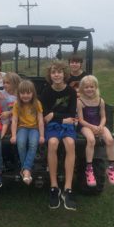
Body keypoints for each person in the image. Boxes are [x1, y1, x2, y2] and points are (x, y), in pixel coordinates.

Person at [40, 60, 77, 211]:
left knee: (70, 143)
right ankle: (54, 186)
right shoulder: (46, 92)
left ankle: (68, 188)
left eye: (59, 72)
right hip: (53, 126)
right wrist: (57, 116)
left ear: (64, 74)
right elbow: (45, 114)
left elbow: (71, 114)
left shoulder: (71, 92)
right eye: (53, 72)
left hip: (67, 125)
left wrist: (55, 115)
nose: (56, 75)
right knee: (53, 143)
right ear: (50, 75)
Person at [77, 75, 114, 187]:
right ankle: (89, 169)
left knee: (110, 140)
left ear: (96, 87)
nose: (89, 89)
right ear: (82, 88)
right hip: (85, 125)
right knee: (91, 140)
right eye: (86, 87)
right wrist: (92, 127)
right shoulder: (80, 101)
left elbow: (103, 116)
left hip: (98, 125)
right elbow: (80, 119)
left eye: (92, 87)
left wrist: (100, 125)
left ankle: (111, 168)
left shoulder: (100, 100)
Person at [10, 80, 45, 185]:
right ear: (19, 94)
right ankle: (27, 170)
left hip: (34, 128)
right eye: (22, 93)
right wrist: (13, 135)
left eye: (28, 93)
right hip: (22, 128)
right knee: (20, 143)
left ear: (33, 93)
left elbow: (40, 120)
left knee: (33, 143)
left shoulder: (37, 103)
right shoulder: (17, 104)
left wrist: (42, 135)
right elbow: (14, 120)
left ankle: (25, 169)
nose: (25, 96)